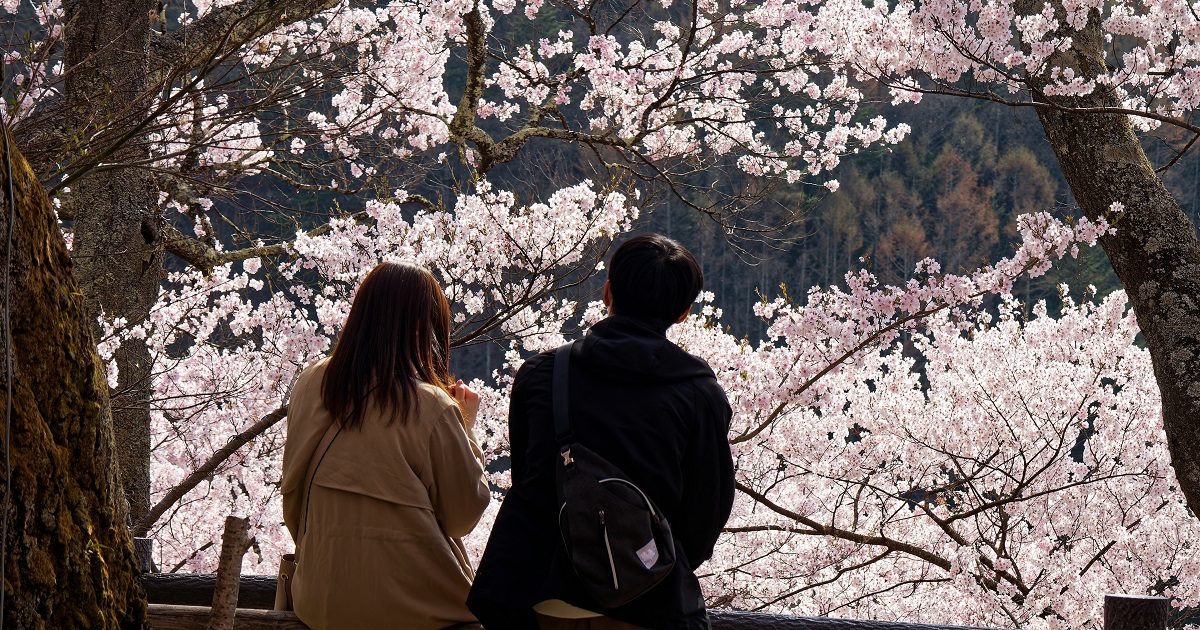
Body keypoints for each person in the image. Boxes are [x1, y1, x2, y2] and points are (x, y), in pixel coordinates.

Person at [468, 234, 735, 630]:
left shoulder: (543, 376)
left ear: (608, 292)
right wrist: (640, 563)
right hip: (647, 601)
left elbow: (530, 478)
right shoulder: (698, 395)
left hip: (538, 597)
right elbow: (705, 513)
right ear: (683, 314)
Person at [281, 261, 491, 630]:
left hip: (320, 600)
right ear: (422, 328)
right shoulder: (431, 406)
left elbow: (293, 498)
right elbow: (462, 517)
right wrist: (467, 427)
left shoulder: (312, 383)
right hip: (417, 609)